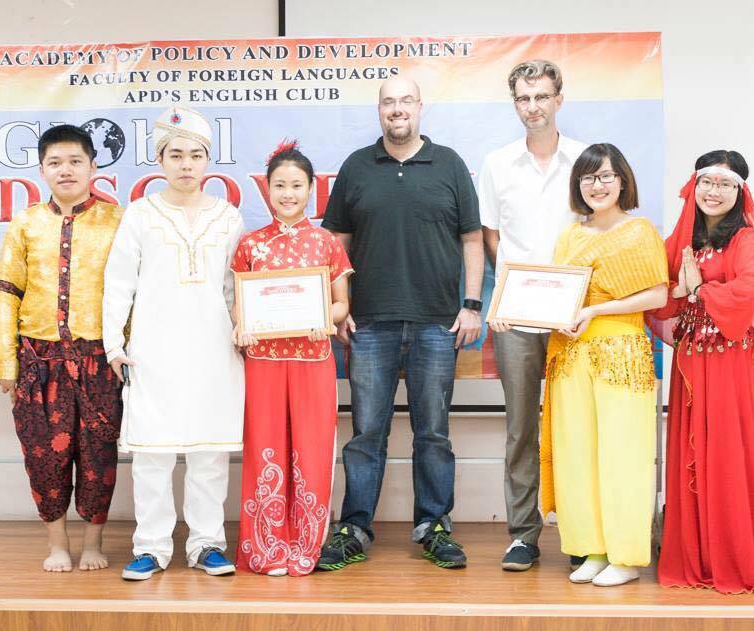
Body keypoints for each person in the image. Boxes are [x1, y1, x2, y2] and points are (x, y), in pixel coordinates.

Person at [317, 76, 484, 570]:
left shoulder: (450, 165)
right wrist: (340, 305)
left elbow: (472, 240)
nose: (397, 109)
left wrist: (472, 304)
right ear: (379, 110)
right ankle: (353, 528)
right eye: (388, 102)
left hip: (437, 322)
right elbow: (336, 244)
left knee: (433, 433)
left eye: (405, 100)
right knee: (366, 433)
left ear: (419, 107)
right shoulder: (356, 166)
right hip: (370, 325)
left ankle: (434, 526)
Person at [648, 150, 754, 594]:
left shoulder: (746, 240)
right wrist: (679, 290)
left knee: (728, 454)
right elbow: (659, 293)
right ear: (693, 186)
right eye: (707, 182)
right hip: (690, 363)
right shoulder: (682, 240)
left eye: (724, 184)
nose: (713, 192)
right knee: (692, 451)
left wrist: (698, 289)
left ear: (740, 192)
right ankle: (696, 556)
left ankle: (734, 556)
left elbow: (748, 290)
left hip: (729, 364)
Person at [102, 105, 245, 581]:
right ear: (160, 160)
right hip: (154, 351)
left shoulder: (228, 216)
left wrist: (243, 331)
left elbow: (234, 288)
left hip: (214, 349)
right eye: (176, 155)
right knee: (152, 454)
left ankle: (207, 544)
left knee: (209, 453)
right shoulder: (141, 214)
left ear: (208, 161)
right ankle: (151, 547)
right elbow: (119, 282)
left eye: (196, 155)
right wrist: (113, 345)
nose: (187, 164)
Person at [0, 124, 124, 572]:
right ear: (42, 169)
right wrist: (5, 361)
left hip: (99, 360)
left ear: (93, 166)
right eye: (55, 163)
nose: (65, 170)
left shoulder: (118, 221)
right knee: (44, 458)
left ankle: (93, 544)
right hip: (38, 361)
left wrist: (127, 352)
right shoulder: (26, 223)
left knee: (99, 456)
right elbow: (6, 292)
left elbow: (130, 294)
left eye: (74, 161)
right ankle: (57, 545)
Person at [540, 143, 668, 587]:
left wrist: (595, 311)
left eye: (606, 176)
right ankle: (593, 550)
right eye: (588, 177)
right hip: (571, 354)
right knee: (577, 454)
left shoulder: (640, 231)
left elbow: (658, 294)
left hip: (621, 353)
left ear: (623, 180)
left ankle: (626, 556)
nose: (597, 185)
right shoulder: (570, 236)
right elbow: (558, 293)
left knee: (623, 454)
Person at [480, 59, 587, 571]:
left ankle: (582, 534)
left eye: (542, 96)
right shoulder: (497, 163)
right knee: (521, 428)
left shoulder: (586, 160)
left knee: (574, 426)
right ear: (515, 104)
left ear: (558, 99)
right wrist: (507, 297)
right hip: (517, 320)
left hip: (574, 318)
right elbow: (492, 237)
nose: (533, 107)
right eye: (524, 98)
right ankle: (523, 535)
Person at [231, 141, 353, 576]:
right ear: (267, 189)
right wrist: (242, 325)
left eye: (296, 185)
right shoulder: (250, 245)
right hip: (263, 362)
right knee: (265, 448)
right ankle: (266, 546)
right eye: (280, 185)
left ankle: (305, 545)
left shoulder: (326, 243)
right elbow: (239, 305)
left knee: (310, 450)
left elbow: (341, 305)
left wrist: (325, 318)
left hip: (313, 360)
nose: (288, 193)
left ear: (311, 189)